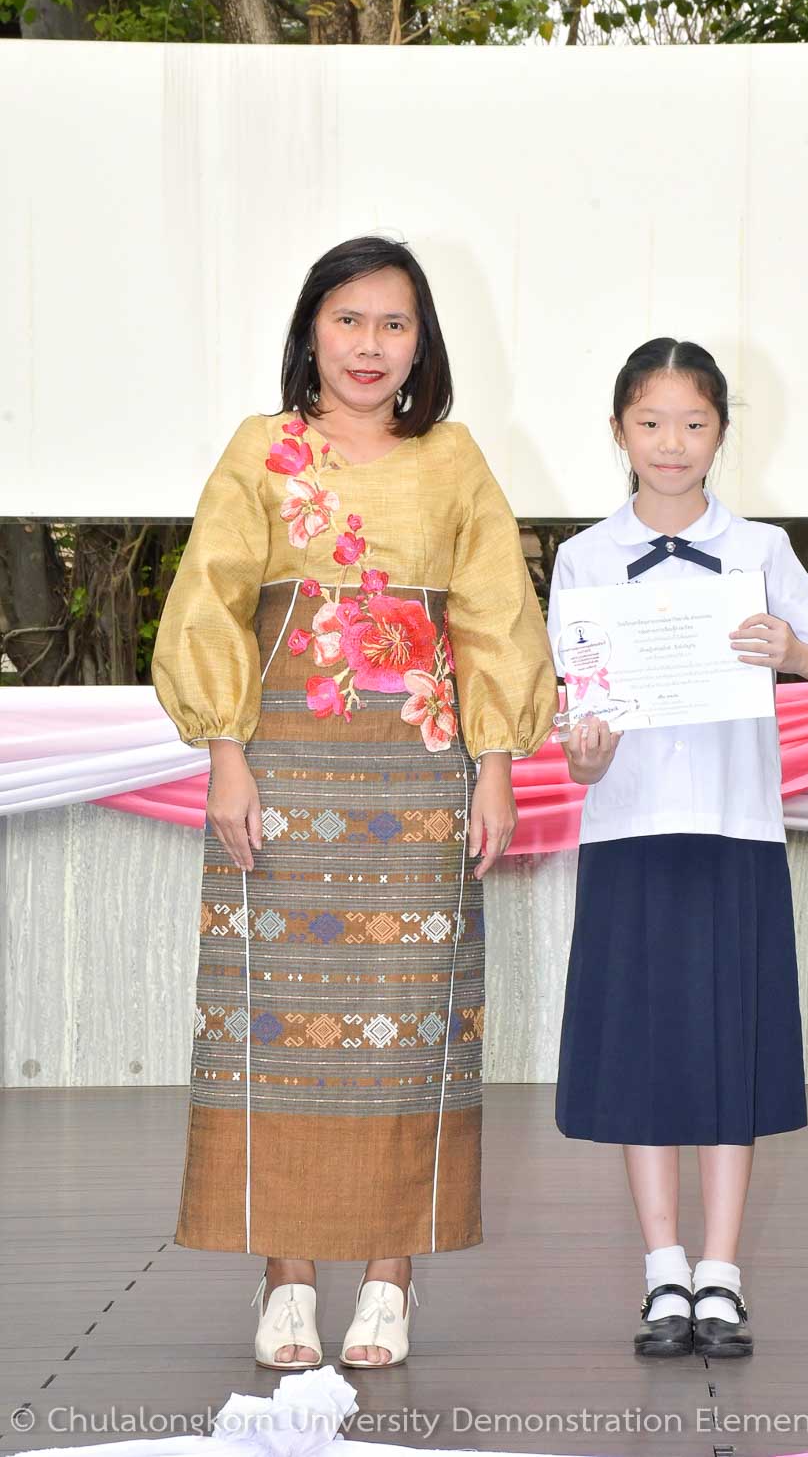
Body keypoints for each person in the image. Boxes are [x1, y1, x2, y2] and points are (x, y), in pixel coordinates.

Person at [151, 236, 557, 1372]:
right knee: (278, 1022)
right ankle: (284, 1276)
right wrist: (226, 756)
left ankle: (391, 1277)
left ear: (421, 343)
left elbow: (494, 616)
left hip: (420, 780)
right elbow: (207, 604)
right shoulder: (262, 451)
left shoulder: (453, 458)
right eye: (348, 319)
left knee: (410, 1022)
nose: (369, 345)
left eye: (394, 324)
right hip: (283, 767)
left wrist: (495, 766)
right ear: (310, 332)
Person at [546, 337, 808, 1360]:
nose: (671, 443)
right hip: (628, 827)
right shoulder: (584, 559)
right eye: (651, 423)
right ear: (618, 431)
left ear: (722, 431)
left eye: (693, 423)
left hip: (736, 827)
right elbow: (579, 727)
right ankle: (662, 1269)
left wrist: (794, 650)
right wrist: (586, 753)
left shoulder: (760, 547)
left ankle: (720, 1272)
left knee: (731, 1043)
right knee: (642, 1048)